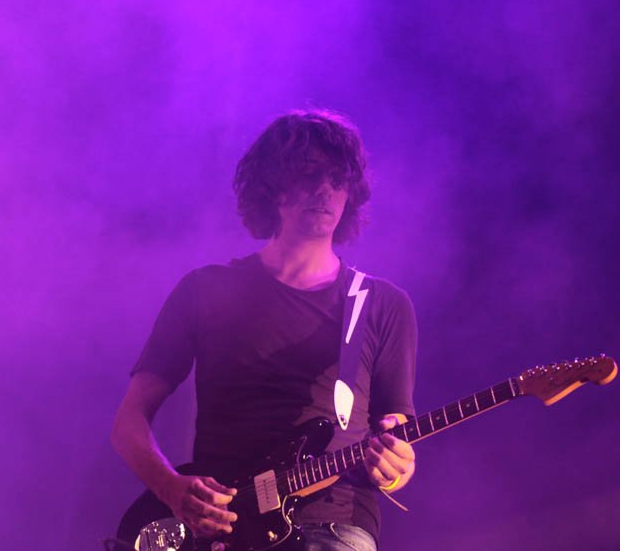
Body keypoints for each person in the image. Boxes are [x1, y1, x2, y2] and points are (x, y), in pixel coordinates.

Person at [112, 110, 417, 551]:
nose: (324, 190)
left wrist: (396, 467)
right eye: (308, 174)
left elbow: (396, 432)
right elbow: (128, 421)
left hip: (333, 526)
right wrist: (172, 489)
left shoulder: (383, 305)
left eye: (337, 179)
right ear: (272, 186)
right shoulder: (205, 290)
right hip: (220, 530)